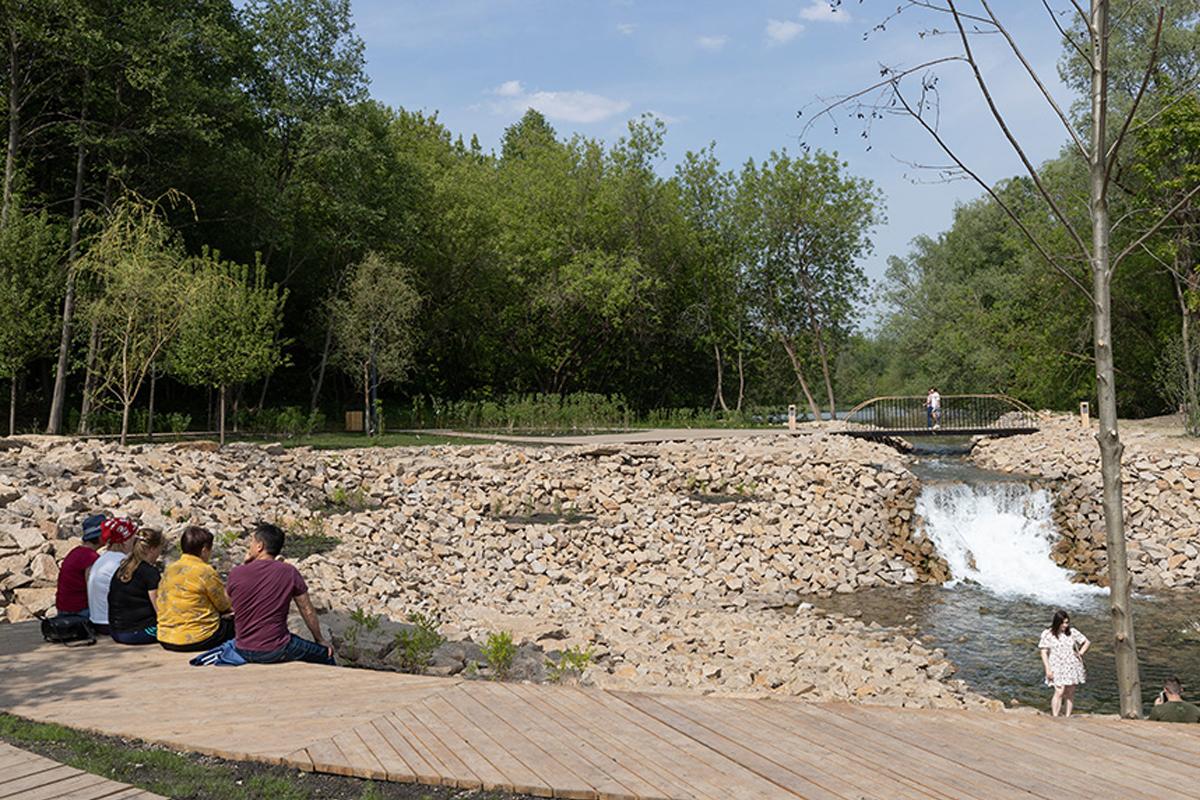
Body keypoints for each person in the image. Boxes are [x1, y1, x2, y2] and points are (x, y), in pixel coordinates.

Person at [227, 522, 334, 665]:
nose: (250, 546)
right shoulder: (289, 572)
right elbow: (306, 609)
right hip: (276, 648)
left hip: (242, 648)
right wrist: (320, 639)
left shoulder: (236, 573)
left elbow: (227, 605)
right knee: (326, 654)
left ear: (260, 546)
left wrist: (245, 565)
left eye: (252, 541)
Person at [157, 526, 235, 652]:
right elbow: (223, 605)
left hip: (166, 637)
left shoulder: (170, 569)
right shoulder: (205, 571)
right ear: (204, 550)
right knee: (237, 622)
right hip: (199, 638)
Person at [107, 528, 164, 645]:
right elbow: (158, 608)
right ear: (152, 549)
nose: (159, 554)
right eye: (159, 549)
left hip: (115, 631)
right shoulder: (150, 572)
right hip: (137, 632)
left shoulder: (122, 568)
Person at [85, 518, 138, 634]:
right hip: (110, 623)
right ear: (124, 541)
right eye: (133, 539)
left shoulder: (103, 558)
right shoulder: (120, 561)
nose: (135, 542)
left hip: (96, 620)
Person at [1039, 609, 1090, 717]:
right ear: (1057, 622)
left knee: (1070, 692)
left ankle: (1067, 716)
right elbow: (1043, 652)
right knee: (1059, 691)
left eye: (1067, 622)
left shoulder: (1072, 632)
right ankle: (1055, 716)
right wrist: (1047, 668)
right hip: (1056, 665)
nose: (1065, 625)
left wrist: (1080, 653)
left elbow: (1086, 642)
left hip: (1071, 665)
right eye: (1063, 623)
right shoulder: (1048, 634)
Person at [54, 514, 106, 617]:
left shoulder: (76, 552)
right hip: (78, 610)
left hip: (64, 608)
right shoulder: (90, 557)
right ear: (100, 537)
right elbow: (93, 588)